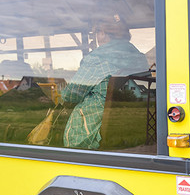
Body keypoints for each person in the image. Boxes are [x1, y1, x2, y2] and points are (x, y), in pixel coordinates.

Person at [61, 13, 148, 149]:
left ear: (102, 33)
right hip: (133, 126)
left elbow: (70, 95)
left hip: (93, 130)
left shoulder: (97, 59)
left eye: (96, 32)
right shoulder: (140, 58)